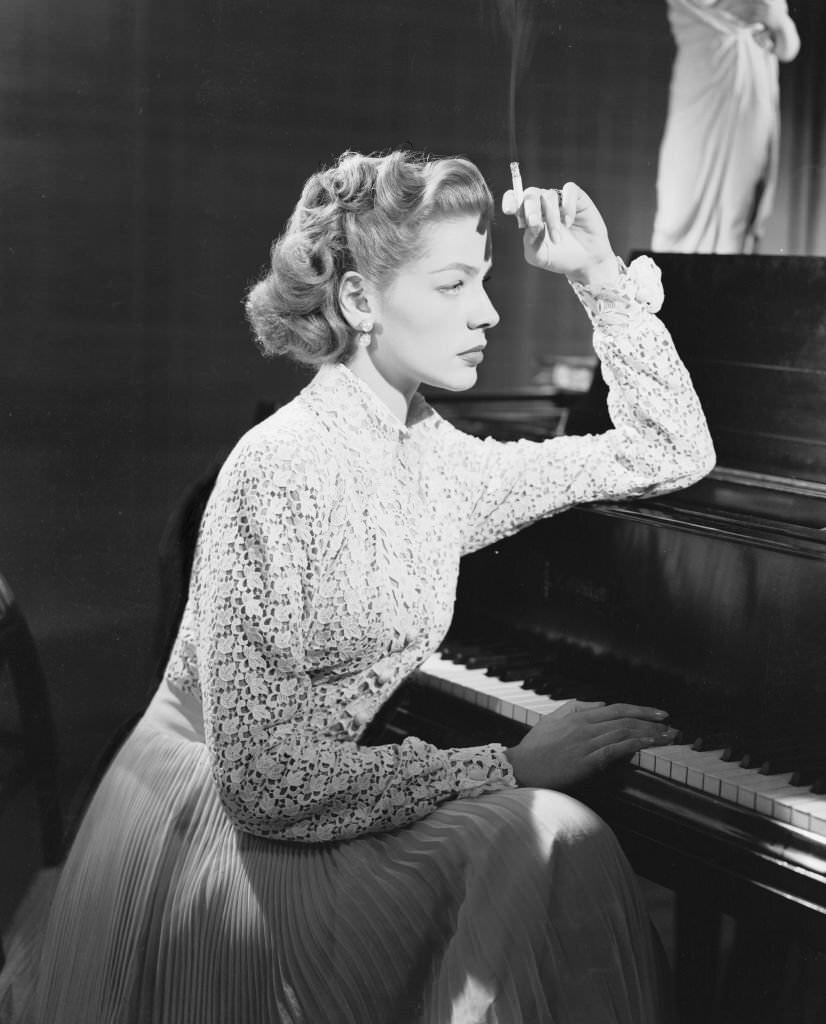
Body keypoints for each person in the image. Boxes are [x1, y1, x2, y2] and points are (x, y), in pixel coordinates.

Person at [0, 148, 715, 1023]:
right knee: (551, 839)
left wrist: (599, 276)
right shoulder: (278, 468)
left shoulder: (438, 458)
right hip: (220, 832)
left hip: (328, 800)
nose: (489, 312)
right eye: (453, 286)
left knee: (556, 847)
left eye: (484, 280)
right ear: (359, 300)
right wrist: (509, 765)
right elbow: (261, 785)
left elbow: (670, 451)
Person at [652, 0, 800, 254]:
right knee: (679, 204)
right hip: (704, 85)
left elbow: (789, 46)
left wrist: (778, 23)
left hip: (750, 93)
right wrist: (769, 19)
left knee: (736, 205)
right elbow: (753, 10)